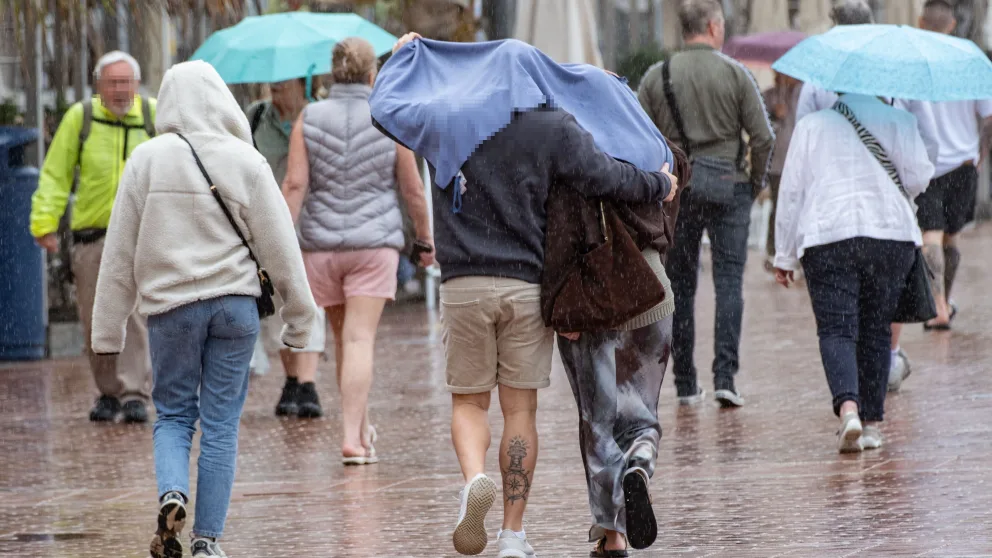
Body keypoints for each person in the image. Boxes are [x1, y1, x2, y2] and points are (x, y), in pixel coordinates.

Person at [373, 34, 677, 558]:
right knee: (520, 412)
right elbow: (609, 176)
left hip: (463, 284)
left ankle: (474, 482)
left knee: (469, 401)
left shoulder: (445, 122)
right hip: (524, 286)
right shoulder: (552, 128)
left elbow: (384, 108)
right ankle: (513, 535)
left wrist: (404, 57)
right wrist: (658, 184)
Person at [91, 60, 317, 558]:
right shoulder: (246, 159)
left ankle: (173, 492)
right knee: (220, 424)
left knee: (173, 414)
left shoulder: (146, 160)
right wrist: (301, 316)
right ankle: (206, 542)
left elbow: (119, 254)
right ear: (219, 100)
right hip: (234, 308)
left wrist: (107, 331)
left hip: (171, 308)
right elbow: (281, 248)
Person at [282, 37, 434, 464]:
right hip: (374, 245)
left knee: (342, 338)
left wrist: (274, 243)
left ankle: (360, 431)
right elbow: (413, 190)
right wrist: (424, 240)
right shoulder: (388, 117)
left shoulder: (308, 118)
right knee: (360, 339)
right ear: (373, 76)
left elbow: (294, 186)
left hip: (321, 246)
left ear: (333, 75)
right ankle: (352, 436)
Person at [790, 0, 940, 394]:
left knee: (840, 308)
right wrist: (905, 186)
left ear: (834, 25)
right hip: (890, 208)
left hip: (830, 213)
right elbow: (929, 145)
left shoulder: (818, 79)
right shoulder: (898, 78)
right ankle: (884, 362)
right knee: (880, 302)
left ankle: (852, 385)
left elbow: (801, 138)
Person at [774, 92, 934, 453]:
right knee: (877, 328)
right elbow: (921, 177)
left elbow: (792, 191)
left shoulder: (811, 126)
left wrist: (784, 254)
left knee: (836, 328)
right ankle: (874, 423)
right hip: (889, 234)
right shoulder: (900, 121)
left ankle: (849, 409)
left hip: (828, 234)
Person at [638, 0, 775, 408]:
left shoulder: (656, 76)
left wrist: (658, 182)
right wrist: (753, 182)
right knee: (729, 282)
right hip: (729, 185)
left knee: (679, 285)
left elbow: (639, 137)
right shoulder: (736, 73)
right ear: (715, 27)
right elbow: (763, 136)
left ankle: (684, 383)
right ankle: (725, 377)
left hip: (678, 191)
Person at [556, 138, 687, 557]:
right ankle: (639, 465)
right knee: (640, 414)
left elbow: (559, 232)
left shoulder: (574, 154)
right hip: (652, 288)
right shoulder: (651, 145)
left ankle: (613, 535)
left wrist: (560, 302)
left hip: (596, 298)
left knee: (599, 423)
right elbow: (678, 177)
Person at [30, 51, 155, 423]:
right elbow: (56, 173)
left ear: (136, 84)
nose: (119, 90)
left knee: (134, 315)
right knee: (96, 318)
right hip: (92, 237)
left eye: (125, 83)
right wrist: (44, 222)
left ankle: (134, 392)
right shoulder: (81, 118)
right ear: (98, 86)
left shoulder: (152, 117)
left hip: (140, 234)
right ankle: (107, 392)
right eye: (112, 83)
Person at [246, 77, 329, 418]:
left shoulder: (318, 116)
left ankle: (308, 384)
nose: (275, 86)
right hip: (267, 223)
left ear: (303, 82)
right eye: (272, 81)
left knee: (310, 302)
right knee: (279, 304)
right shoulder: (254, 117)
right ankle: (291, 379)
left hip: (312, 223)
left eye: (284, 82)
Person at [913, 0, 992, 333]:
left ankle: (936, 306)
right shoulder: (971, 60)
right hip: (964, 162)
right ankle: (943, 301)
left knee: (930, 233)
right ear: (952, 24)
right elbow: (988, 118)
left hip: (926, 163)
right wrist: (981, 154)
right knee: (952, 237)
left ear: (920, 21)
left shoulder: (912, 61)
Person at [762, 72, 801, 271]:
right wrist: (775, 118)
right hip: (778, 162)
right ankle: (773, 251)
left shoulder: (804, 95)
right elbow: (761, 129)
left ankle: (797, 253)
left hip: (800, 162)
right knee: (778, 207)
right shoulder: (768, 96)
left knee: (800, 209)